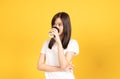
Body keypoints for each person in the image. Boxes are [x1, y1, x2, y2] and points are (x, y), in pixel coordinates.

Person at [37, 12, 79, 79]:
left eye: (59, 24)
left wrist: (59, 42)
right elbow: (39, 66)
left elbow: (63, 65)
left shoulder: (72, 43)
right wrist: (60, 69)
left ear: (66, 26)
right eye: (54, 24)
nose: (56, 27)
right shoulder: (46, 43)